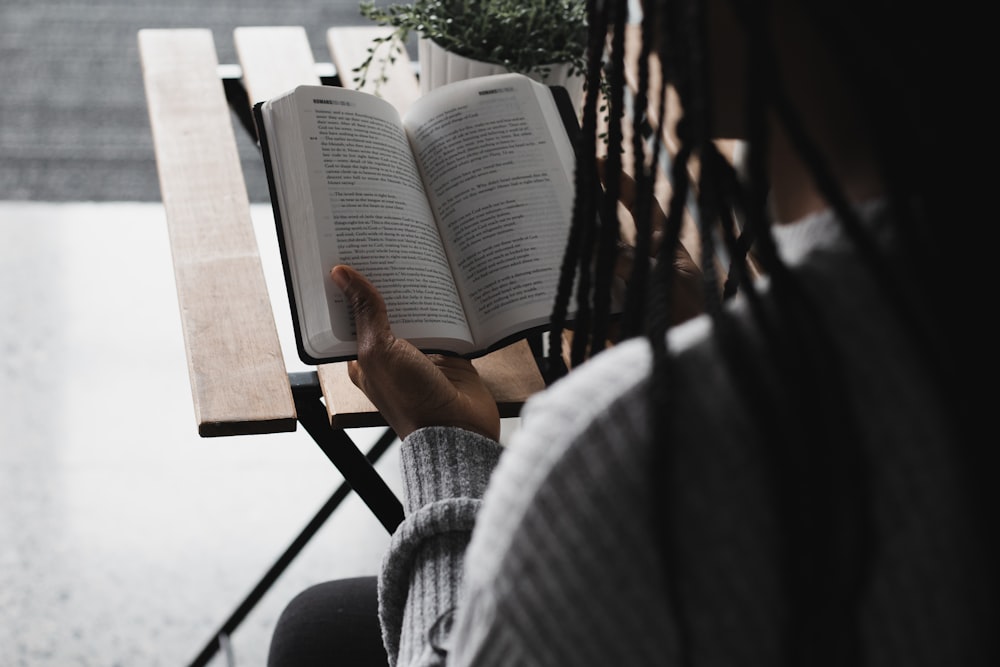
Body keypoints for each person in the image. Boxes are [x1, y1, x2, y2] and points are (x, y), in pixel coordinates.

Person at [268, 0, 995, 664]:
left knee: (312, 635)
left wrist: (443, 446)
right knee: (321, 626)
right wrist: (710, 334)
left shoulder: (616, 445)